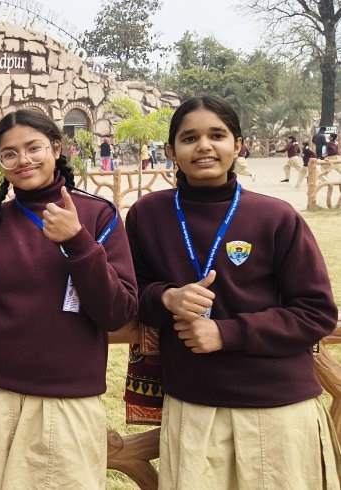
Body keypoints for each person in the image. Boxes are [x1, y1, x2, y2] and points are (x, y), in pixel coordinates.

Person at [126, 96, 340, 488]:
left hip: (276, 407)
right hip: (193, 403)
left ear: (238, 145)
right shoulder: (147, 215)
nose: (204, 146)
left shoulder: (275, 216)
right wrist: (166, 298)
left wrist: (227, 333)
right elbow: (129, 293)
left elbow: (316, 312)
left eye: (217, 135)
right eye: (189, 138)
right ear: (171, 151)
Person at [0, 109, 138, 489]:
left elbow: (117, 311)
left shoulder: (97, 217)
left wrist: (78, 241)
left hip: (67, 402)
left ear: (56, 147)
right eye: (9, 153)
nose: (24, 160)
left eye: (33, 148)